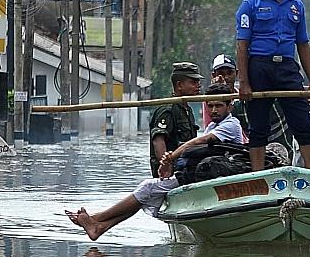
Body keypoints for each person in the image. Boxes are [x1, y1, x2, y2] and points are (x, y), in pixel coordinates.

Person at [67, 90, 244, 241]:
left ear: (229, 107)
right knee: (148, 194)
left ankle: (96, 219)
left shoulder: (230, 124)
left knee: (147, 188)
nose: (213, 110)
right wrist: (170, 161)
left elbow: (199, 141)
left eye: (218, 106)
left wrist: (169, 159)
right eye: (210, 105)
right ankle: (99, 226)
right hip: (202, 172)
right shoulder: (212, 124)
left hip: (213, 174)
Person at [235, 0, 310, 172]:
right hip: (259, 66)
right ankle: (257, 175)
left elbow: (303, 44)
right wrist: (243, 82)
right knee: (258, 126)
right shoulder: (250, 4)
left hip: (287, 67)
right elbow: (242, 45)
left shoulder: (297, 6)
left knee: (302, 123)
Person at [148, 62, 204, 176]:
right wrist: (165, 165)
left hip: (185, 167)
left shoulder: (186, 109)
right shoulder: (167, 110)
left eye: (198, 82)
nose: (198, 85)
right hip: (170, 171)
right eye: (193, 82)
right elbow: (158, 140)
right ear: (179, 85)